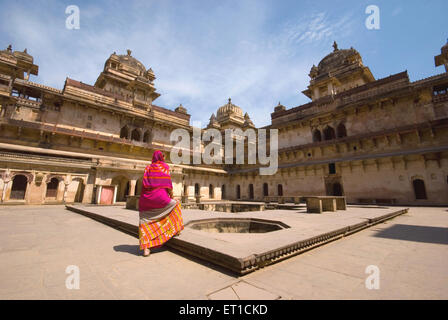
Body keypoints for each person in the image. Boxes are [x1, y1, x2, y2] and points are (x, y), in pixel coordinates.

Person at [138, 150, 184, 257]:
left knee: (144, 221)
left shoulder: (148, 168)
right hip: (160, 198)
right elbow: (168, 184)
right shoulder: (164, 167)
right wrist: (172, 197)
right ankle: (174, 230)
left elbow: (144, 185)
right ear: (162, 158)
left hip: (145, 200)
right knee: (176, 205)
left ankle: (146, 249)